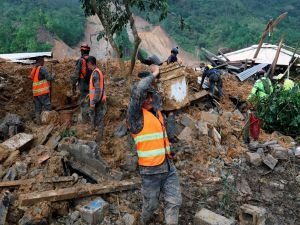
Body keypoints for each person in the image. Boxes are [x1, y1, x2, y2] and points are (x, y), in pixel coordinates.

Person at [127, 65, 182, 225]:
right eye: (146, 97)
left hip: (168, 166)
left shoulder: (156, 112)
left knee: (175, 201)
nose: (149, 99)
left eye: (151, 96)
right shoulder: (135, 116)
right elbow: (138, 90)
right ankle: (143, 221)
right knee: (151, 206)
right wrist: (154, 74)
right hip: (150, 172)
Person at [86, 56, 106, 143]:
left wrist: (93, 102)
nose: (87, 66)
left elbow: (97, 89)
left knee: (98, 118)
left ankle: (99, 137)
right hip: (99, 99)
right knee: (97, 118)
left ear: (90, 63)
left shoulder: (95, 73)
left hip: (97, 100)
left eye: (87, 64)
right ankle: (97, 135)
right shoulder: (98, 71)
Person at [30, 56, 55, 124]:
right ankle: (49, 122)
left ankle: (38, 123)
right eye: (43, 60)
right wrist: (53, 75)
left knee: (38, 109)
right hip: (42, 92)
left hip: (36, 92)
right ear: (40, 61)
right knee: (48, 107)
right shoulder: (42, 68)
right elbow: (49, 78)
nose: (44, 62)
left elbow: (33, 78)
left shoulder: (34, 69)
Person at [71, 43, 92, 122]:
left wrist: (73, 85)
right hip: (91, 84)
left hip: (83, 84)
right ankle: (91, 118)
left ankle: (85, 120)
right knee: (90, 100)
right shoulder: (92, 60)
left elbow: (76, 74)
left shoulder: (80, 61)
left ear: (82, 51)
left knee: (83, 101)